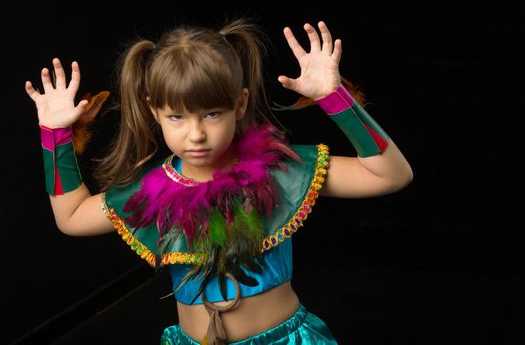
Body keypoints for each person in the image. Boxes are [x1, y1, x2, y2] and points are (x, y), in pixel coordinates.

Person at [25, 18, 413, 345]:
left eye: (212, 113)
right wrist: (54, 135)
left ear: (240, 104)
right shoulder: (151, 190)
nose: (196, 134)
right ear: (154, 111)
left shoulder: (280, 170)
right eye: (177, 117)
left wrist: (336, 98)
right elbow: (71, 217)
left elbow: (392, 175)